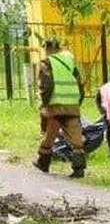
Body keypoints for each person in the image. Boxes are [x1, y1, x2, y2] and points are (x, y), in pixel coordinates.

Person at [34, 38, 86, 178]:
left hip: (55, 104)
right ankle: (79, 168)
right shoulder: (70, 62)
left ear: (47, 48)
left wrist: (44, 104)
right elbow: (79, 83)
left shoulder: (46, 63)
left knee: (50, 134)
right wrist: (77, 101)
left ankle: (43, 162)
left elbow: (46, 85)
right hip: (72, 104)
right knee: (76, 138)